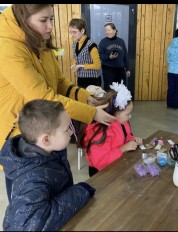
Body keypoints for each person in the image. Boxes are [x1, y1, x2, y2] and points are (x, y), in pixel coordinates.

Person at [0, 5, 115, 195]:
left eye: (51, 19)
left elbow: (59, 83)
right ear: (23, 19)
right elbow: (45, 98)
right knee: (33, 202)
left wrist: (88, 98)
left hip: (49, 130)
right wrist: (92, 113)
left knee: (58, 191)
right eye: (43, 20)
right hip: (23, 137)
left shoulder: (39, 41)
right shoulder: (8, 49)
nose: (50, 26)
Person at [0, 99, 96, 231]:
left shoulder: (48, 151)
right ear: (46, 139)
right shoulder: (33, 178)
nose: (71, 132)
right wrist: (79, 192)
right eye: (67, 128)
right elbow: (32, 226)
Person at [80, 81, 143, 177]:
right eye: (127, 114)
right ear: (115, 113)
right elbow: (101, 161)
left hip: (116, 166)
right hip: (100, 174)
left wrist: (132, 140)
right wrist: (123, 149)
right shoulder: (99, 130)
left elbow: (125, 136)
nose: (130, 116)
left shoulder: (122, 122)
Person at [69, 18, 102, 88]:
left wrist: (80, 66)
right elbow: (78, 59)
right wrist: (75, 65)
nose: (72, 35)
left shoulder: (91, 45)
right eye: (70, 32)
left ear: (82, 31)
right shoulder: (75, 44)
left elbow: (98, 66)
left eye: (74, 32)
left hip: (93, 80)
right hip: (81, 78)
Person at [98, 22, 130, 91]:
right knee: (109, 90)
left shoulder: (121, 41)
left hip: (120, 70)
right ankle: (109, 102)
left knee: (122, 89)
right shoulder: (103, 42)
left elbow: (125, 56)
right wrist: (109, 57)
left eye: (109, 30)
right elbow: (99, 55)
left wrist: (127, 69)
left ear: (114, 30)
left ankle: (120, 102)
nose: (107, 32)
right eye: (106, 30)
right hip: (108, 70)